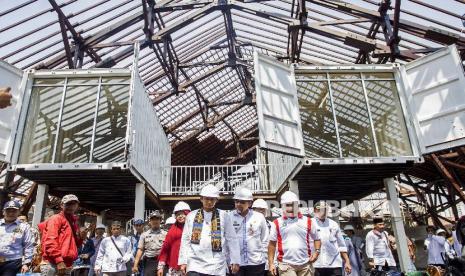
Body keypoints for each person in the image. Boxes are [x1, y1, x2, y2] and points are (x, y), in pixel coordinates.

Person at [178, 184, 240, 276]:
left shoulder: (224, 216)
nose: (209, 202)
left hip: (217, 264)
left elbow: (232, 239)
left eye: (212, 199)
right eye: (207, 199)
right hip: (195, 263)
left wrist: (235, 260)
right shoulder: (191, 216)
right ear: (201, 199)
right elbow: (185, 239)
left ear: (216, 200)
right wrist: (183, 261)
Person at [268, 191, 321, 276]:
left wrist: (317, 252)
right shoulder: (277, 223)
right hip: (286, 264)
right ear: (282, 206)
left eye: (293, 205)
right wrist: (271, 264)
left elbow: (317, 239)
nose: (291, 208)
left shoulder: (308, 221)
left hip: (306, 264)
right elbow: (272, 244)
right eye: (287, 205)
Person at [229, 187, 269, 276]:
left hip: (256, 263)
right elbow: (227, 240)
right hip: (236, 263)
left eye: (242, 202)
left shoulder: (259, 217)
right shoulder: (229, 217)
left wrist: (264, 259)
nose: (238, 204)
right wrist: (230, 259)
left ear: (250, 203)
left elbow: (265, 239)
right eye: (236, 201)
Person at [40, 194, 82, 276]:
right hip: (54, 263)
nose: (71, 207)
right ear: (62, 205)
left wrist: (81, 238)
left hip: (67, 264)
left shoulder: (74, 222)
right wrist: (59, 260)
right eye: (68, 204)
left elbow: (76, 245)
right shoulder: (56, 218)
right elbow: (50, 240)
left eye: (74, 204)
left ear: (77, 206)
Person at [312, 201, 351, 276]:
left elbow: (341, 245)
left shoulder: (333, 224)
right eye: (320, 209)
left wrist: (347, 261)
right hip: (316, 264)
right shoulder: (309, 223)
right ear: (315, 210)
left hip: (334, 264)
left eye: (325, 209)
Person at [0, 200, 35, 276]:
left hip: (12, 263)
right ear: (3, 212)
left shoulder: (24, 227)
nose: (11, 213)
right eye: (8, 211)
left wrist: (26, 263)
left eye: (14, 211)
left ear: (19, 212)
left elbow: (28, 245)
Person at [158, 201, 191, 276]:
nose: (180, 216)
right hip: (175, 268)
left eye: (183, 214)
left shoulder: (194, 229)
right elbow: (165, 249)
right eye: (178, 214)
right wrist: (160, 267)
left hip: (192, 266)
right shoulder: (172, 231)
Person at [133, 211, 167, 275]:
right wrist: (135, 264)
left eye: (157, 219)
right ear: (150, 221)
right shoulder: (144, 235)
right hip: (149, 262)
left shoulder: (166, 234)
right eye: (153, 219)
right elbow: (140, 250)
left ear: (160, 220)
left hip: (162, 262)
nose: (155, 221)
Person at [252, 198, 273, 276]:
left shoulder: (271, 224)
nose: (261, 212)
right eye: (259, 209)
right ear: (253, 209)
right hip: (255, 262)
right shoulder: (247, 224)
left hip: (270, 261)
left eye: (263, 210)